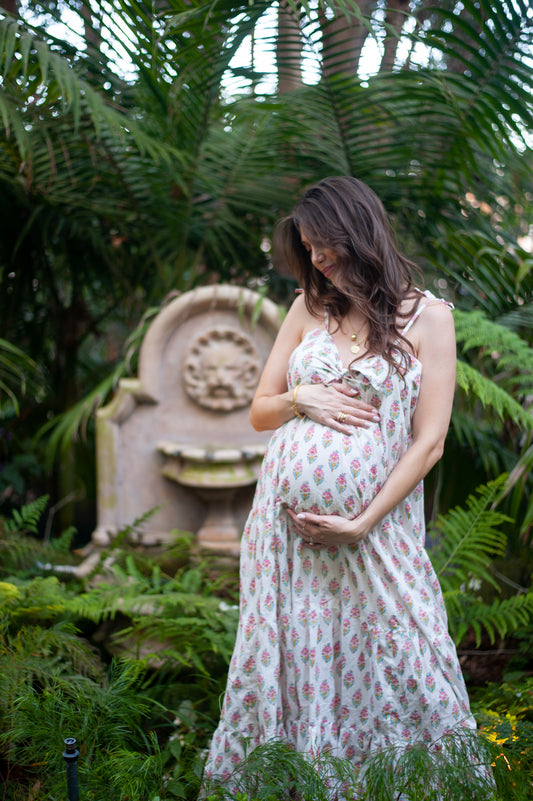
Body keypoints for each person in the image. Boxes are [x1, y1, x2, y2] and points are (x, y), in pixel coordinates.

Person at [202, 176, 477, 788]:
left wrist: (361, 521)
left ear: (361, 231)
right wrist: (301, 397)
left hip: (376, 534)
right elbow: (260, 410)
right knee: (299, 660)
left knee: (407, 654)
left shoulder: (430, 319)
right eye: (310, 250)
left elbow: (429, 442)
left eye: (327, 246)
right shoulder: (307, 308)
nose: (319, 260)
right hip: (288, 540)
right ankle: (299, 781)